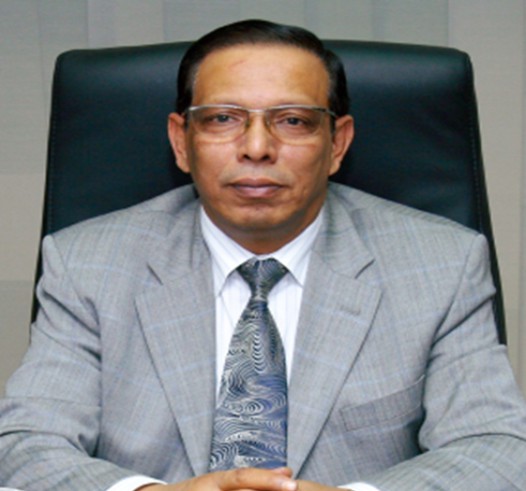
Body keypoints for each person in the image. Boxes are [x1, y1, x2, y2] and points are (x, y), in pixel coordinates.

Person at [1, 18, 526, 491]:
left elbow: (497, 448)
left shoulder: (443, 264)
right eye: (222, 119)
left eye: (293, 120)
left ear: (337, 143)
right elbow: (24, 445)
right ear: (181, 141)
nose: (256, 147)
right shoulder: (85, 264)